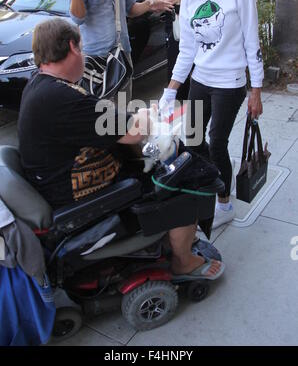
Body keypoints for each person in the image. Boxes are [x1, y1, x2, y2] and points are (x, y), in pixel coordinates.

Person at [18, 18, 224, 280]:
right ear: (72, 47)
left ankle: (174, 238)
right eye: (81, 46)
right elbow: (134, 131)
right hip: (71, 192)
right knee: (183, 180)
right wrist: (149, 114)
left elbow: (101, 118)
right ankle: (183, 261)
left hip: (54, 180)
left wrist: (134, 118)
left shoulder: (41, 85)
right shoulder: (60, 99)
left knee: (152, 156)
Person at [159, 0, 264, 229]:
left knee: (217, 143)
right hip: (200, 80)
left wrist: (255, 90)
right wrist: (171, 90)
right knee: (192, 139)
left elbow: (252, 44)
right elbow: (187, 49)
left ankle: (224, 204)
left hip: (230, 83)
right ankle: (213, 180)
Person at [158, 0, 190, 101]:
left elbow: (159, 6)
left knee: (175, 69)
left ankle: (178, 98)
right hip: (175, 38)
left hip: (177, 39)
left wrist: (149, 2)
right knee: (177, 68)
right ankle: (181, 97)